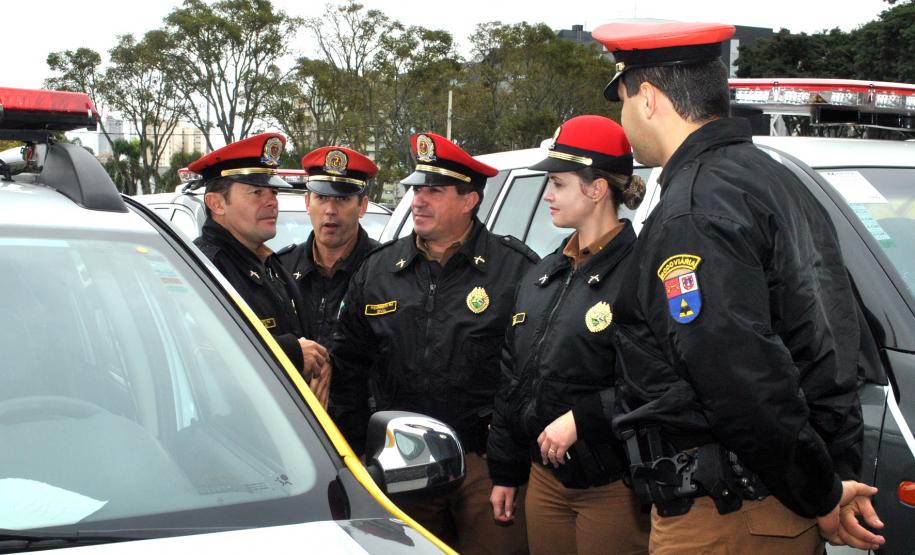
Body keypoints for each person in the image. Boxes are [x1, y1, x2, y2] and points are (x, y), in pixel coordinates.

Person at [591, 20, 885, 553]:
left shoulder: (695, 208)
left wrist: (820, 491)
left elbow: (737, 374)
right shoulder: (775, 179)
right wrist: (830, 476)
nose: (625, 118)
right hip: (777, 501)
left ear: (650, 98)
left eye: (624, 100)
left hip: (728, 516)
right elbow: (835, 340)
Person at [330, 132, 538, 555]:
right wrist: (354, 458)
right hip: (399, 462)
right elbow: (348, 368)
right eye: (416, 190)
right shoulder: (380, 269)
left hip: (485, 465)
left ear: (469, 200)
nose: (418, 201)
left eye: (434, 191)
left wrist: (509, 463)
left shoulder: (514, 270)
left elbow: (529, 376)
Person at [486, 115, 650, 555]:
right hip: (545, 480)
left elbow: (660, 378)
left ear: (596, 189)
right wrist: (505, 470)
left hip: (612, 485)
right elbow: (512, 375)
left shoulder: (641, 272)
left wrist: (586, 417)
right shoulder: (544, 274)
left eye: (557, 183)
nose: (547, 195)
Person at [190, 133, 327, 386]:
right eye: (256, 192)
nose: (272, 202)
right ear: (217, 204)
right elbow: (208, 357)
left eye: (273, 192)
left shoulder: (267, 262)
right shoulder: (204, 267)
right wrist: (292, 353)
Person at [278, 146, 380, 406]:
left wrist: (336, 363)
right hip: (294, 424)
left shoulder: (385, 270)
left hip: (363, 433)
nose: (330, 210)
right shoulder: (280, 269)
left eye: (343, 199)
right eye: (321, 198)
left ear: (362, 207)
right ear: (307, 203)